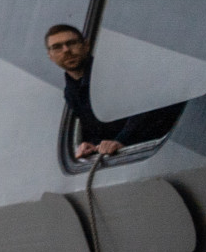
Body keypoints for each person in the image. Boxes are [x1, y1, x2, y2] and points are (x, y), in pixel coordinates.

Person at [43, 24, 179, 160]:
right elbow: (96, 129)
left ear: (86, 45)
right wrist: (91, 145)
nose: (66, 50)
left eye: (71, 43)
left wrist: (121, 140)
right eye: (57, 47)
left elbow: (146, 109)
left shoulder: (116, 71)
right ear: (50, 56)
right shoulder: (71, 93)